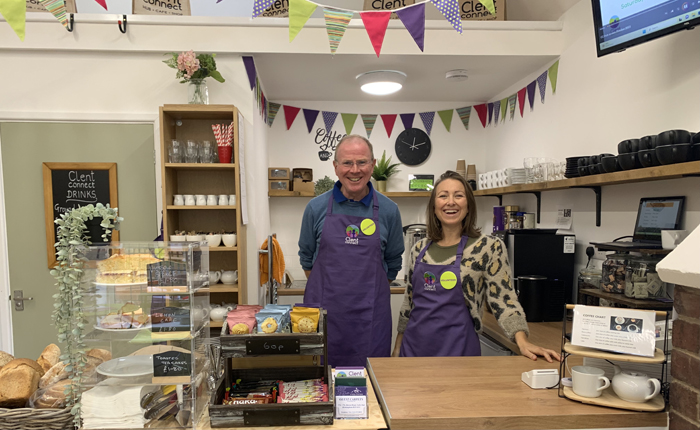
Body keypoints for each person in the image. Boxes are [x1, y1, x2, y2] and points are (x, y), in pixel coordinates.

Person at [392, 170, 560, 362]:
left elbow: (504, 300)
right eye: (443, 196)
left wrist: (523, 341)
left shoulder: (488, 247)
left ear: (469, 205)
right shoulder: (419, 249)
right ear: (434, 206)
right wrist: (398, 348)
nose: (451, 202)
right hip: (414, 350)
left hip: (459, 351)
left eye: (458, 195)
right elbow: (409, 303)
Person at [299, 135, 404, 367]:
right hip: (325, 317)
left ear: (373, 165)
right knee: (322, 384)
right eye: (347, 163)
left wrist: (367, 290)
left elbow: (393, 260)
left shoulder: (389, 210)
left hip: (370, 320)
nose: (354, 170)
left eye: (362, 162)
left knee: (368, 383)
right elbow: (306, 259)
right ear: (335, 167)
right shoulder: (315, 209)